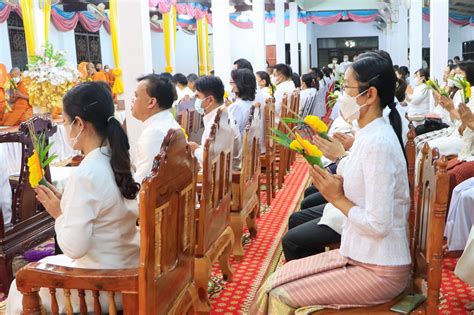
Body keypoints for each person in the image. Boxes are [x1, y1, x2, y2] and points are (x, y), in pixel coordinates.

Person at [251, 50, 411, 313]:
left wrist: (337, 198)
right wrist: (338, 169)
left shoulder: (378, 142)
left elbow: (379, 224)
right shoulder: (369, 134)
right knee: (275, 279)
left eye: (346, 89)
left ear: (369, 94)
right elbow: (359, 173)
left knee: (278, 294)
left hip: (379, 268)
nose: (341, 97)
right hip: (359, 254)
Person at [6, 81, 141, 313]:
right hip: (127, 267)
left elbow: (74, 248)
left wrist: (59, 213)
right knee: (41, 267)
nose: (66, 129)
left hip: (105, 286)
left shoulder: (86, 173)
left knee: (19, 286)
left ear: (79, 124)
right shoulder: (116, 159)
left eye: (66, 122)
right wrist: (67, 204)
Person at [131, 74, 180, 184]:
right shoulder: (167, 120)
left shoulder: (154, 134)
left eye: (136, 96)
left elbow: (143, 185)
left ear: (151, 102)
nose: (132, 100)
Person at [188, 76, 242, 171]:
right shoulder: (223, 114)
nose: (196, 100)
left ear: (210, 100)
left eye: (198, 96)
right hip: (226, 170)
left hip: (224, 177)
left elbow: (212, 161)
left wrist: (195, 149)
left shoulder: (217, 122)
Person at [228, 69, 256, 135]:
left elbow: (231, 135)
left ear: (239, 84)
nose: (230, 85)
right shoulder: (251, 103)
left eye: (231, 82)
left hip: (238, 144)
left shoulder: (236, 107)